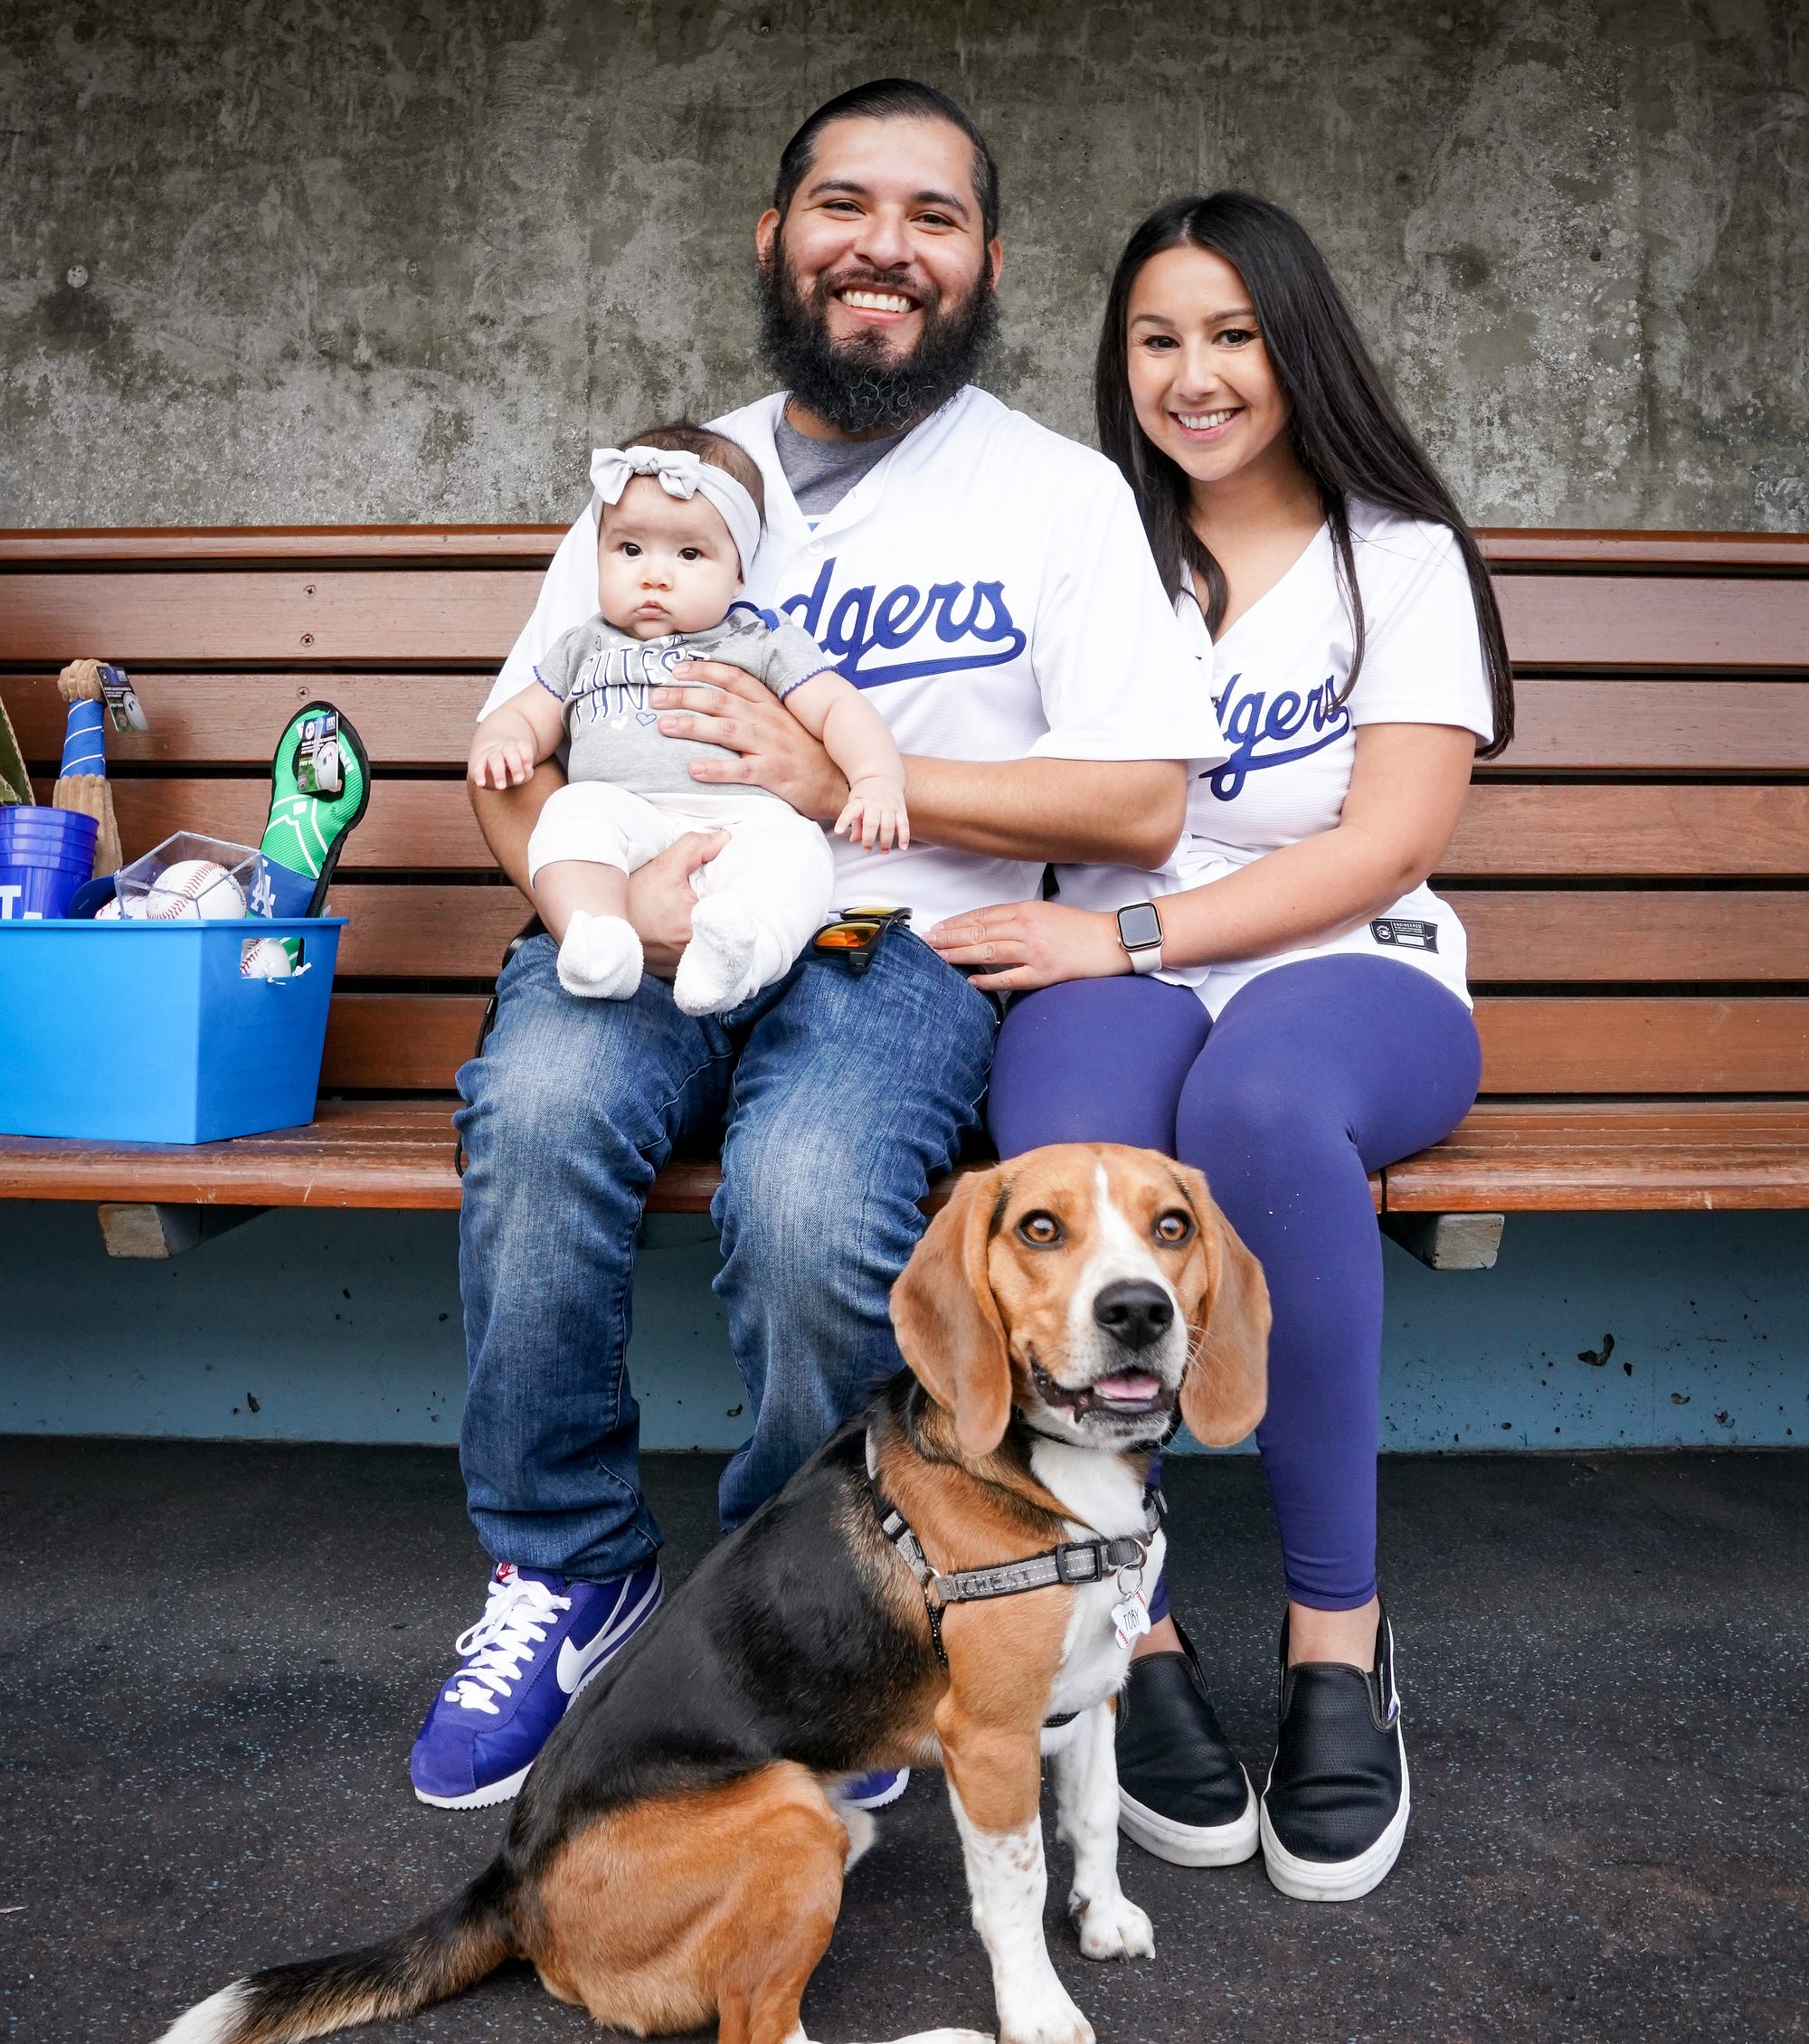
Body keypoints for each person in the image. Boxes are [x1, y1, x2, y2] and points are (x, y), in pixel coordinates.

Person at [409, 82, 1213, 1812]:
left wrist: (865, 778)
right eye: (846, 206)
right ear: (776, 239)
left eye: (933, 218)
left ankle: (817, 1607)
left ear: (988, 262)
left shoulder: (1056, 495)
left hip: (888, 949)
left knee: (810, 1207)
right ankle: (566, 1566)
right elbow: (515, 757)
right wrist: (585, 905)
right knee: (538, 1107)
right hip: (636, 919)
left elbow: (1146, 801)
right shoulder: (663, 480)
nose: (886, 249)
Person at [930, 191, 1514, 1902]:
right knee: (1070, 1136)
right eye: (1159, 339)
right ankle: (1136, 1631)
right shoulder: (1083, 542)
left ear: (1299, 344)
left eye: (1236, 334)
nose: (1197, 376)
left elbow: (1389, 840)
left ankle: (1340, 1643)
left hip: (1356, 970)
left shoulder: (1395, 556)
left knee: (1253, 1106)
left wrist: (1114, 931)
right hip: (1123, 966)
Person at [469, 422, 907, 1015]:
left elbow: (838, 707)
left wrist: (876, 780)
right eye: (629, 550)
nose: (654, 574)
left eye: (690, 554)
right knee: (568, 812)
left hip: (743, 820)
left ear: (739, 572)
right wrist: (505, 741)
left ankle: (741, 959)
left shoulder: (758, 639)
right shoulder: (584, 646)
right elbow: (524, 715)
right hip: (628, 817)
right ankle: (599, 939)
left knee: (799, 853)